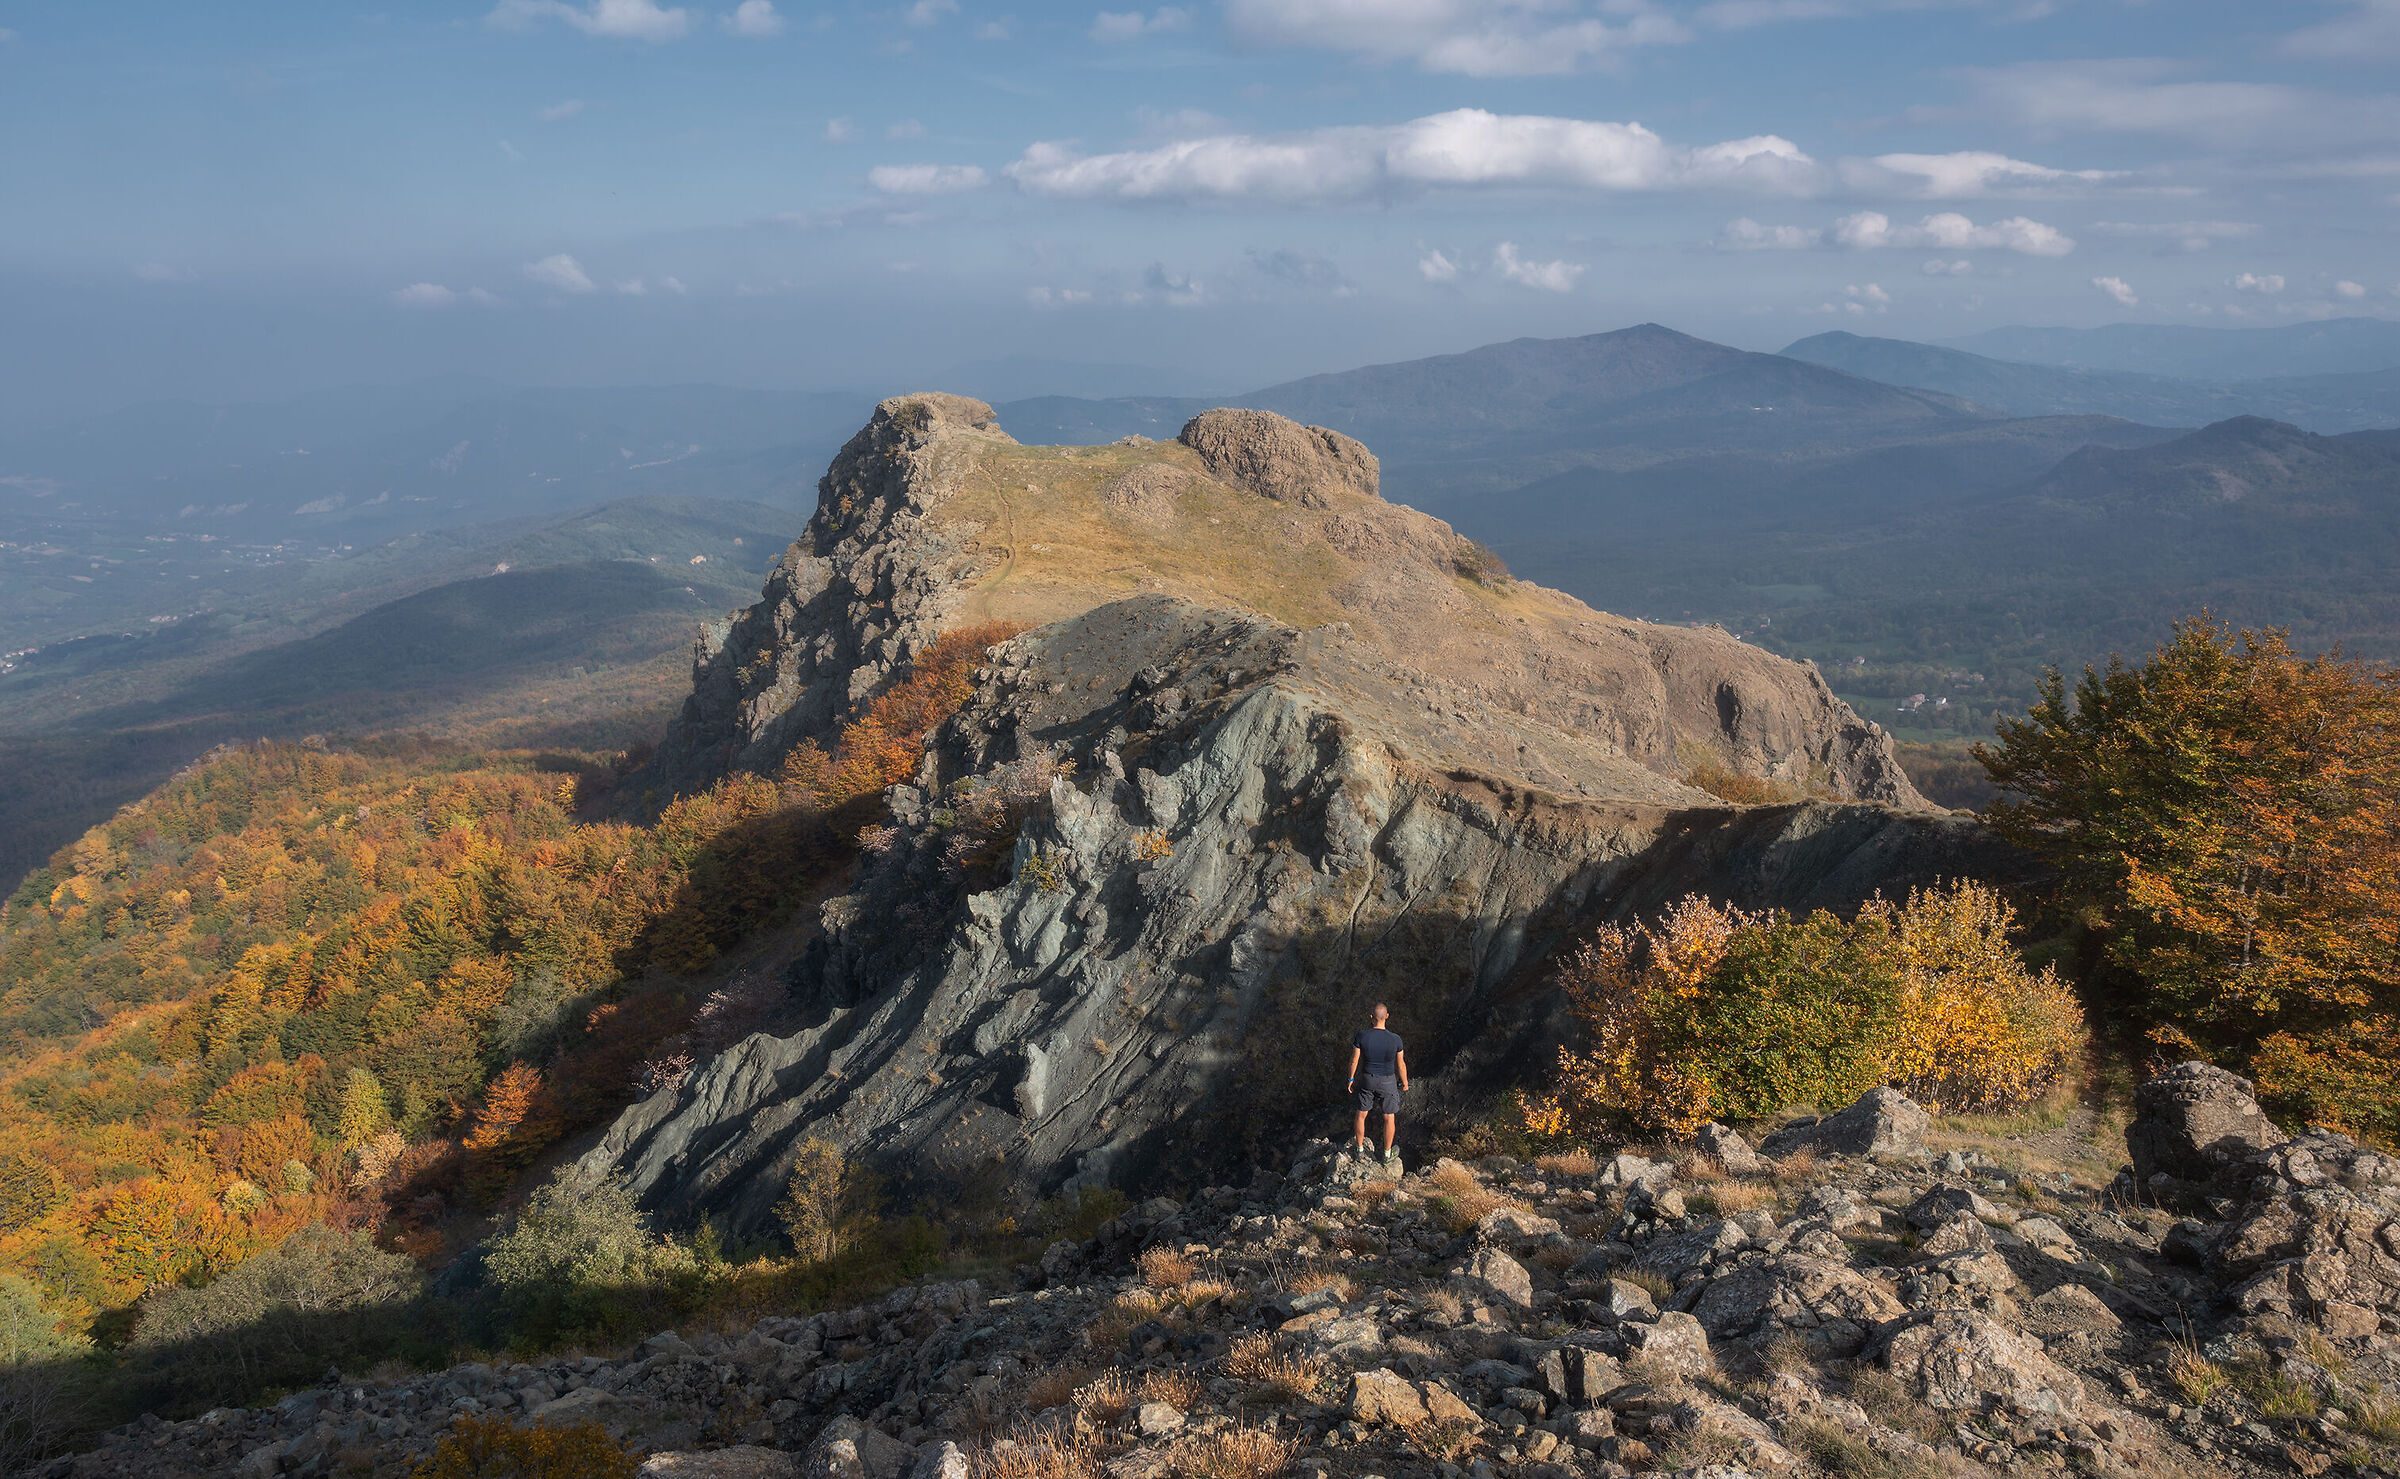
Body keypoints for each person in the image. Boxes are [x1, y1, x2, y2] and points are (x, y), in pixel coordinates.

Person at [1346, 1004, 1408, 1165]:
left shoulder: (1361, 1036)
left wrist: (1351, 1079)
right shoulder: (1396, 1039)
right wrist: (1405, 1082)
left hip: (1367, 1079)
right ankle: (1387, 1155)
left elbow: (1354, 1060)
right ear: (1387, 1016)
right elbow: (1401, 1064)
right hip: (1388, 1080)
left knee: (1361, 1114)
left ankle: (1359, 1151)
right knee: (1388, 1117)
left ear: (1371, 1017)